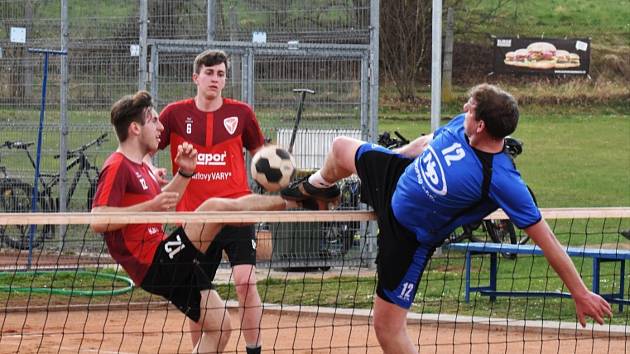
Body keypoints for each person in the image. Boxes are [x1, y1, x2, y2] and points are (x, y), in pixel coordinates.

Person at [281, 83, 613, 354]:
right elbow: (430, 142)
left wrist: (579, 292)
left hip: (409, 238)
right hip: (398, 178)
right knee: (341, 148)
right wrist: (390, 159)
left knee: (386, 329)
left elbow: (548, 239)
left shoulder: (501, 179)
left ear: (481, 125)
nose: (464, 109)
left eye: (470, 108)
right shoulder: (462, 125)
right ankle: (318, 187)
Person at [91, 91, 321, 353]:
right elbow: (98, 219)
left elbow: (165, 201)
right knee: (215, 207)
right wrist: (150, 206)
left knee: (220, 327)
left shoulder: (141, 167)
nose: (161, 126)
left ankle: (299, 199)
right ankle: (296, 199)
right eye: (154, 120)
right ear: (135, 128)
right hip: (151, 261)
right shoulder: (117, 165)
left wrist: (186, 171)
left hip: (163, 256)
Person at [151, 49, 267, 354]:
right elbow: (148, 145)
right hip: (195, 219)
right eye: (210, 73)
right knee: (199, 295)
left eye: (221, 74)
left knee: (245, 281)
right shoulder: (175, 114)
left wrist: (275, 169)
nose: (215, 79)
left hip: (235, 210)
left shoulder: (241, 113)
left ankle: (254, 349)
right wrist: (152, 170)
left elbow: (260, 153)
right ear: (196, 77)